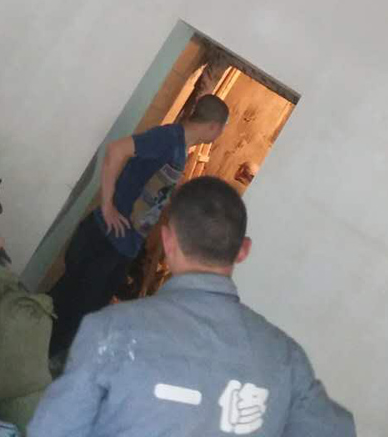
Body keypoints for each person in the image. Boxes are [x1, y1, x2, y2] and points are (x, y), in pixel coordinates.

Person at [30, 177, 356, 436]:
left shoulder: (110, 331)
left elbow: (52, 430)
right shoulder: (286, 359)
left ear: (168, 241)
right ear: (243, 251)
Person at [48, 95, 230, 357]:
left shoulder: (180, 151)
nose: (220, 133)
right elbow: (116, 150)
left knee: (81, 316)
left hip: (123, 245)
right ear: (214, 126)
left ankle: (44, 360)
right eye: (222, 128)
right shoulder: (167, 138)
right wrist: (108, 205)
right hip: (105, 239)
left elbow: (160, 189)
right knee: (67, 314)